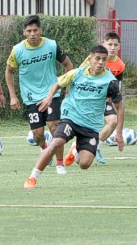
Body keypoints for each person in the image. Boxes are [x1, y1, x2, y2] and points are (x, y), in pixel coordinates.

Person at [24, 45, 124, 189]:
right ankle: (32, 177)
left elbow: (120, 108)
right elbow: (57, 84)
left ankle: (75, 151)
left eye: (104, 59)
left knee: (84, 164)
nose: (101, 62)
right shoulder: (76, 73)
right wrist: (49, 97)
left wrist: (119, 133)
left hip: (91, 126)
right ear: (90, 59)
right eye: (97, 59)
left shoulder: (111, 82)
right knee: (55, 143)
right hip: (71, 117)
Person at [5, 15, 73, 175]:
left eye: (35, 30)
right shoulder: (18, 50)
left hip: (52, 94)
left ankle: (59, 163)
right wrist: (13, 96)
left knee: (55, 127)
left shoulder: (51, 45)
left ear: (40, 30)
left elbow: (68, 64)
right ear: (24, 33)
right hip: (30, 98)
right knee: (37, 135)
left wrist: (68, 86)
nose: (33, 34)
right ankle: (45, 150)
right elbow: (8, 71)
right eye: (29, 31)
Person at [65, 32, 126, 166]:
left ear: (119, 46)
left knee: (113, 121)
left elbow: (116, 86)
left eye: (115, 45)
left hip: (104, 99)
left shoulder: (120, 65)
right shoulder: (92, 59)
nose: (112, 47)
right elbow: (78, 75)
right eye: (109, 44)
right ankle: (79, 147)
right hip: (88, 99)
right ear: (104, 44)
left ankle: (95, 147)